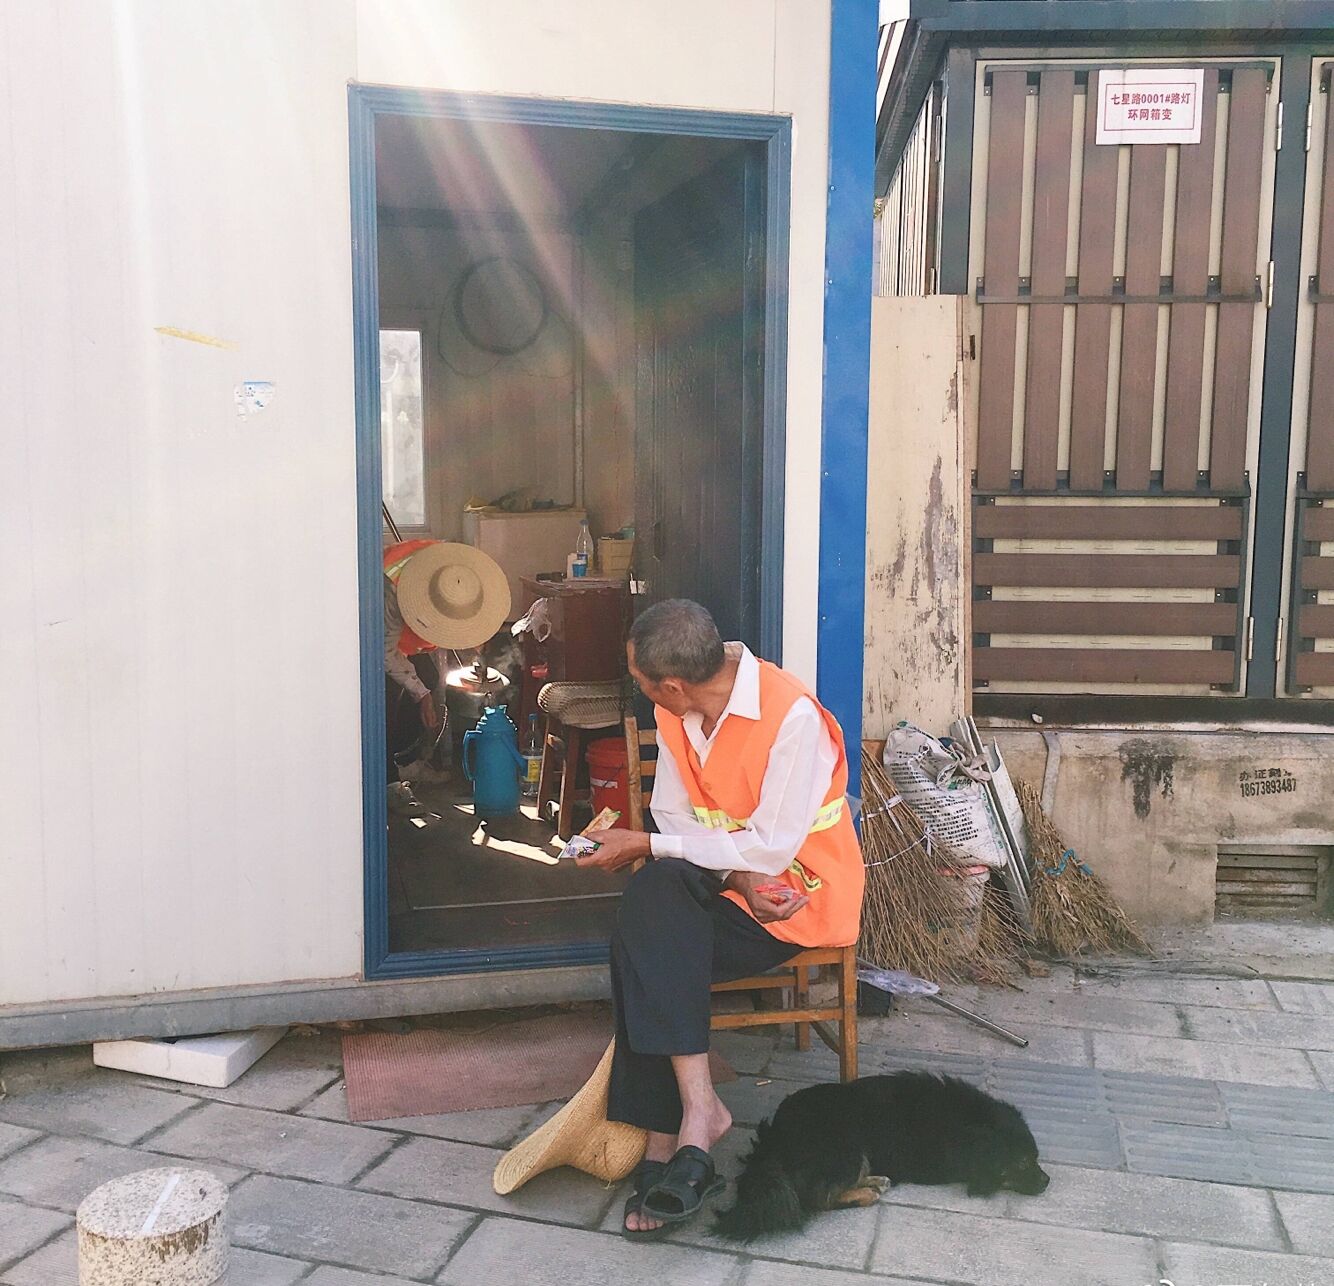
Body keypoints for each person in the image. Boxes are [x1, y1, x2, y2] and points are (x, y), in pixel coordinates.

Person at [574, 598, 865, 1240]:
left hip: (793, 898)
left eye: (642, 680)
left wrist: (647, 845)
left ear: (673, 685)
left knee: (645, 937)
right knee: (653, 900)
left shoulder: (792, 718)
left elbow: (770, 850)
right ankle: (697, 1113)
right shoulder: (675, 713)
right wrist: (726, 874)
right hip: (730, 883)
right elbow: (674, 816)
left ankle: (663, 1134)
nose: (640, 690)